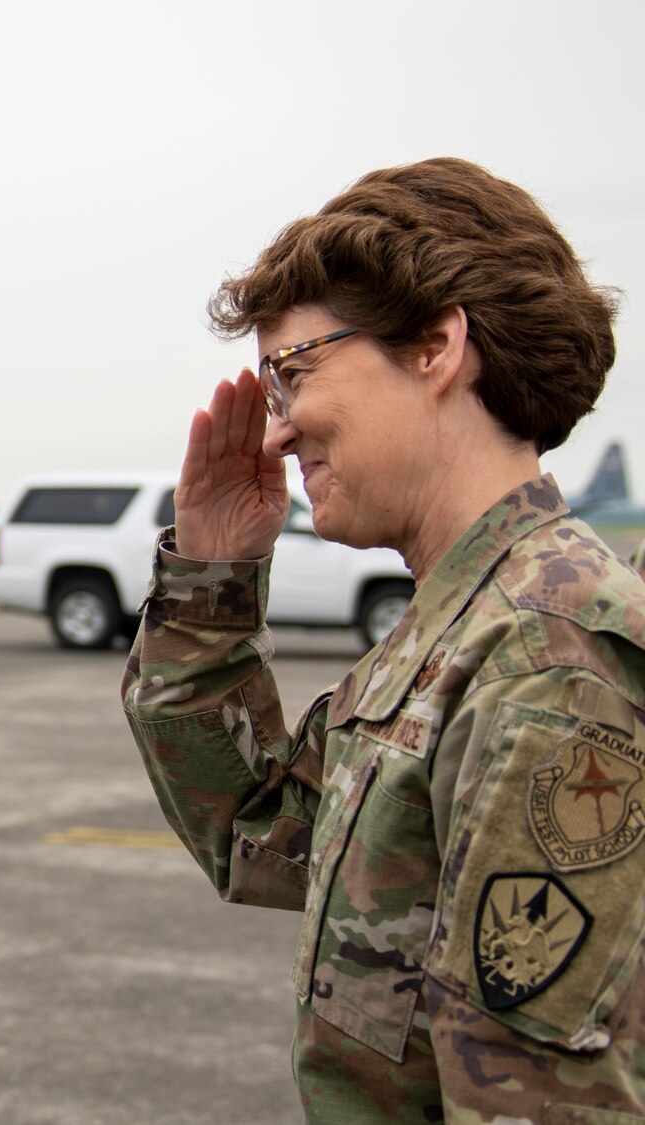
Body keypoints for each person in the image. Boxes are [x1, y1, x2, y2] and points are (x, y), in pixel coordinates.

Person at [122, 158, 645, 1120]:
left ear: (437, 347)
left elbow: (531, 1092)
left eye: (296, 371)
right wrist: (210, 582)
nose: (277, 433)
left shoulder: (543, 652)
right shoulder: (460, 618)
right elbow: (261, 835)